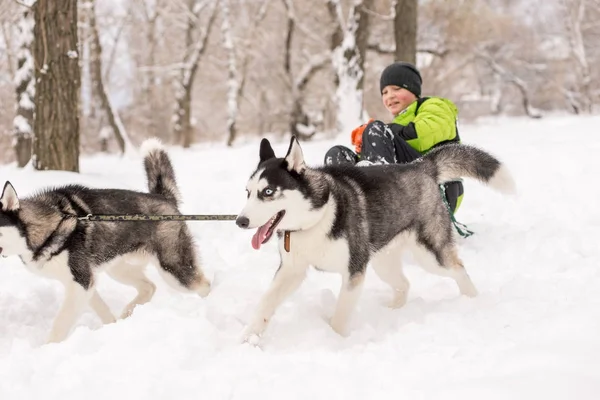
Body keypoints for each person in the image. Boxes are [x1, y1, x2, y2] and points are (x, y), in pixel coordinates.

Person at [324, 61, 465, 214]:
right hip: (406, 186)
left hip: (438, 189)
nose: (389, 96)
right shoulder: (395, 125)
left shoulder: (434, 106)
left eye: (396, 89)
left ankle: (375, 192)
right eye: (384, 92)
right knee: (337, 154)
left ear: (413, 89)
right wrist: (364, 149)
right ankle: (349, 206)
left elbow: (422, 135)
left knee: (374, 128)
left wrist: (377, 133)